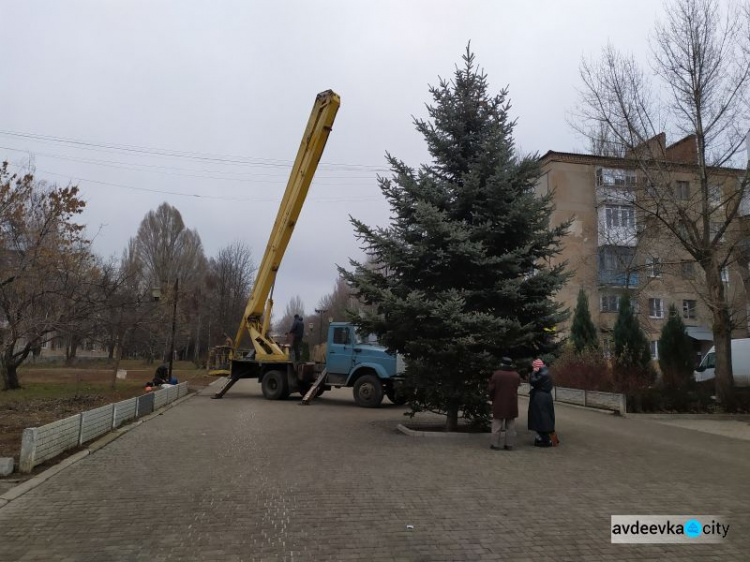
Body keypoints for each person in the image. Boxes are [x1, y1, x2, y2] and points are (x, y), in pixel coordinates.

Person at [488, 357, 521, 451]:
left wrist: (491, 398)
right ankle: (509, 445)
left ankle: (495, 444)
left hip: (499, 402)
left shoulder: (497, 374)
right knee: (510, 426)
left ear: (502, 364)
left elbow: (491, 389)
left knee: (497, 425)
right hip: (512, 403)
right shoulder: (516, 375)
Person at [528, 358, 558, 447]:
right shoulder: (546, 372)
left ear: (537, 367)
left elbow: (533, 381)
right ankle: (552, 440)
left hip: (540, 398)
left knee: (541, 418)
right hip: (545, 397)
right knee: (545, 417)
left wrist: (533, 373)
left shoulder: (542, 373)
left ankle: (547, 440)